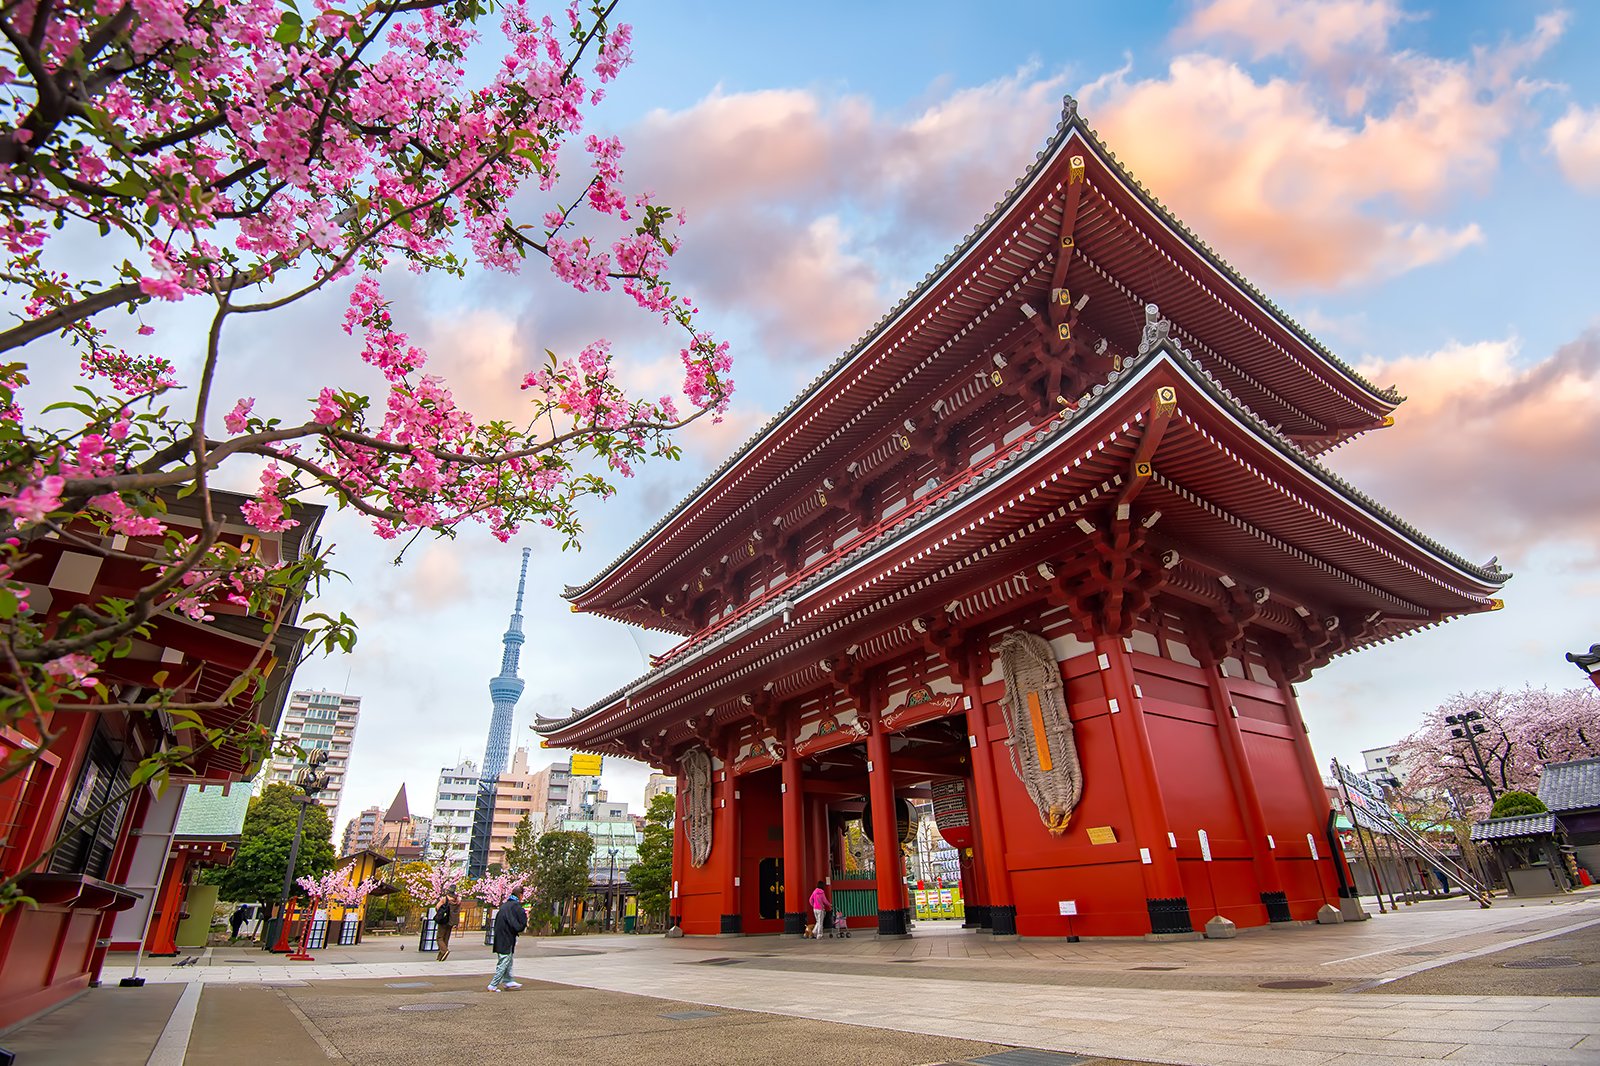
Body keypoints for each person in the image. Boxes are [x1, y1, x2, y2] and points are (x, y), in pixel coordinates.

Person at [488, 891, 527, 992]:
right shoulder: (515, 907)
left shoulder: (505, 906)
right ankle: (493, 984)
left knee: (508, 959)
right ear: (520, 895)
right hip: (506, 938)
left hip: (500, 937)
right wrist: (519, 928)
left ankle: (508, 980)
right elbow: (519, 924)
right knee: (504, 960)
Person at [434, 891, 457, 961]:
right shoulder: (457, 901)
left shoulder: (445, 899)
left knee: (439, 938)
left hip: (443, 921)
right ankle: (440, 957)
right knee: (446, 938)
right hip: (451, 921)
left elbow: (437, 907)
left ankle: (444, 951)